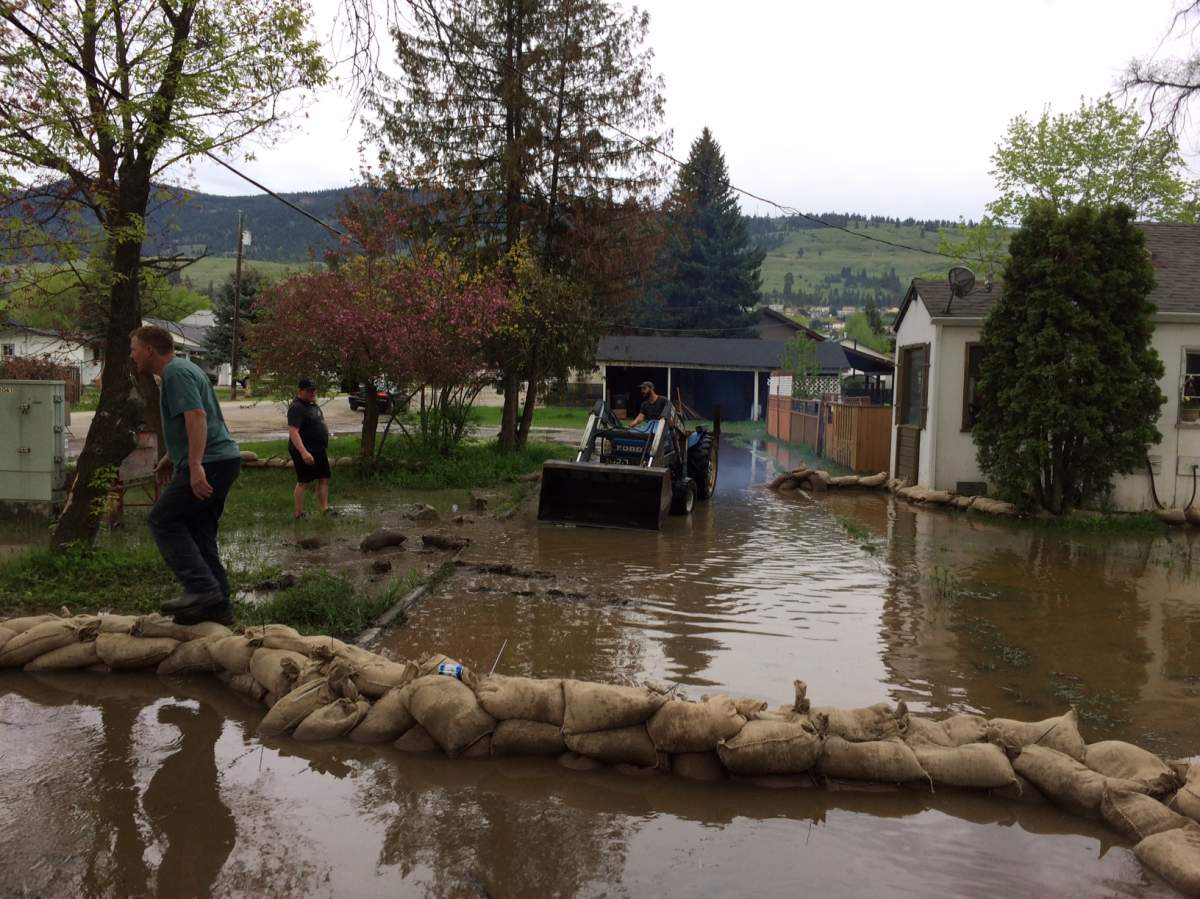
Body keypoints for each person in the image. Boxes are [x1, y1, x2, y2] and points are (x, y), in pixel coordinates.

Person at [131, 325, 241, 625]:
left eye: (134, 349)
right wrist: (172, 456)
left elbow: (197, 417)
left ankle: (201, 588)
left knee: (163, 520)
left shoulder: (175, 373)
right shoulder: (183, 369)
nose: (132, 355)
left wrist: (194, 466)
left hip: (211, 462)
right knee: (200, 533)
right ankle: (219, 609)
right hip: (221, 460)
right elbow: (196, 420)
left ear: (149, 350)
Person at [287, 378, 331, 518]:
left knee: (324, 478)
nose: (312, 392)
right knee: (303, 482)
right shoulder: (296, 407)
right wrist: (304, 452)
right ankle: (299, 513)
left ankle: (324, 509)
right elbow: (293, 432)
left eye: (314, 390)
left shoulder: (313, 405)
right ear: (300, 391)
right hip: (304, 450)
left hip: (318, 448)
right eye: (309, 390)